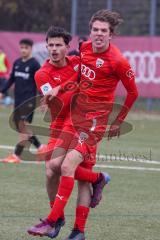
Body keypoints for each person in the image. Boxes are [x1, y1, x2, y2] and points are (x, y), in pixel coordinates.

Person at [28, 8, 138, 239]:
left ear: (111, 34)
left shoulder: (117, 61)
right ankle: (97, 180)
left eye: (103, 31)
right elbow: (77, 80)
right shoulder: (84, 50)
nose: (98, 34)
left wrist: (118, 121)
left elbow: (133, 92)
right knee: (54, 166)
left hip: (94, 120)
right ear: (89, 32)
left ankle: (61, 225)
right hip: (71, 119)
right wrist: (57, 90)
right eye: (95, 30)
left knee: (68, 168)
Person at [27, 26, 110, 239]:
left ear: (67, 47)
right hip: (60, 125)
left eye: (58, 45)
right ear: (46, 47)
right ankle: (62, 214)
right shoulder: (42, 74)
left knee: (71, 172)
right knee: (50, 169)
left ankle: (78, 230)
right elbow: (59, 105)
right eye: (50, 45)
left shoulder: (78, 64)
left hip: (84, 123)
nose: (54, 49)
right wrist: (72, 88)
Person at [0, 38, 45, 163]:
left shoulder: (34, 64)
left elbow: (39, 82)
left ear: (31, 49)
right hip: (18, 101)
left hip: (29, 101)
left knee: (22, 127)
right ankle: (41, 148)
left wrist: (43, 98)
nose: (23, 50)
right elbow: (11, 80)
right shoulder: (17, 62)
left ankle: (16, 155)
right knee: (22, 128)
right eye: (22, 48)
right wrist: (2, 92)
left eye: (26, 48)